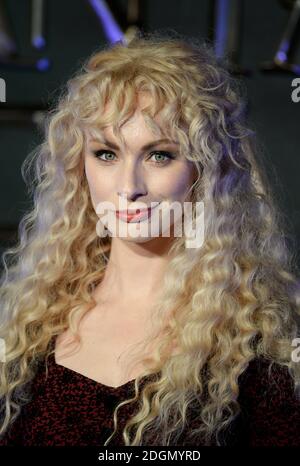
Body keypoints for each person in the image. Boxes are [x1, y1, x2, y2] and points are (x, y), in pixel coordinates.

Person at [0, 31, 300, 447]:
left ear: (207, 170)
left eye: (160, 154)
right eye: (106, 153)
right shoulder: (27, 329)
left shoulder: (259, 346)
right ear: (77, 165)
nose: (129, 186)